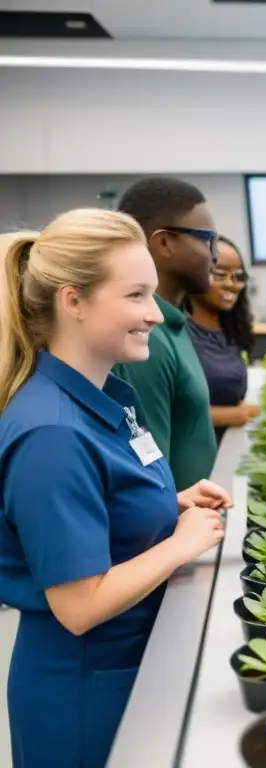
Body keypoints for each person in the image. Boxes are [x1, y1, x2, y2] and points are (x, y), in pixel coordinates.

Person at [0, 209, 229, 768]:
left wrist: (165, 507)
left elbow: (97, 505)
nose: (154, 313)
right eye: (134, 296)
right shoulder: (52, 430)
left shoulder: (102, 399)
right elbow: (79, 605)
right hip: (84, 690)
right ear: (72, 301)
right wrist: (181, 542)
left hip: (124, 664)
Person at [111, 176, 219, 490]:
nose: (214, 255)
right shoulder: (146, 337)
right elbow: (148, 477)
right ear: (164, 243)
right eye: (207, 239)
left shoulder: (171, 325)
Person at [186, 234, 259, 444]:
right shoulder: (176, 332)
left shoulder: (229, 330)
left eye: (238, 276)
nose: (231, 284)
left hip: (226, 450)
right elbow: (159, 412)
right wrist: (229, 415)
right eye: (219, 274)